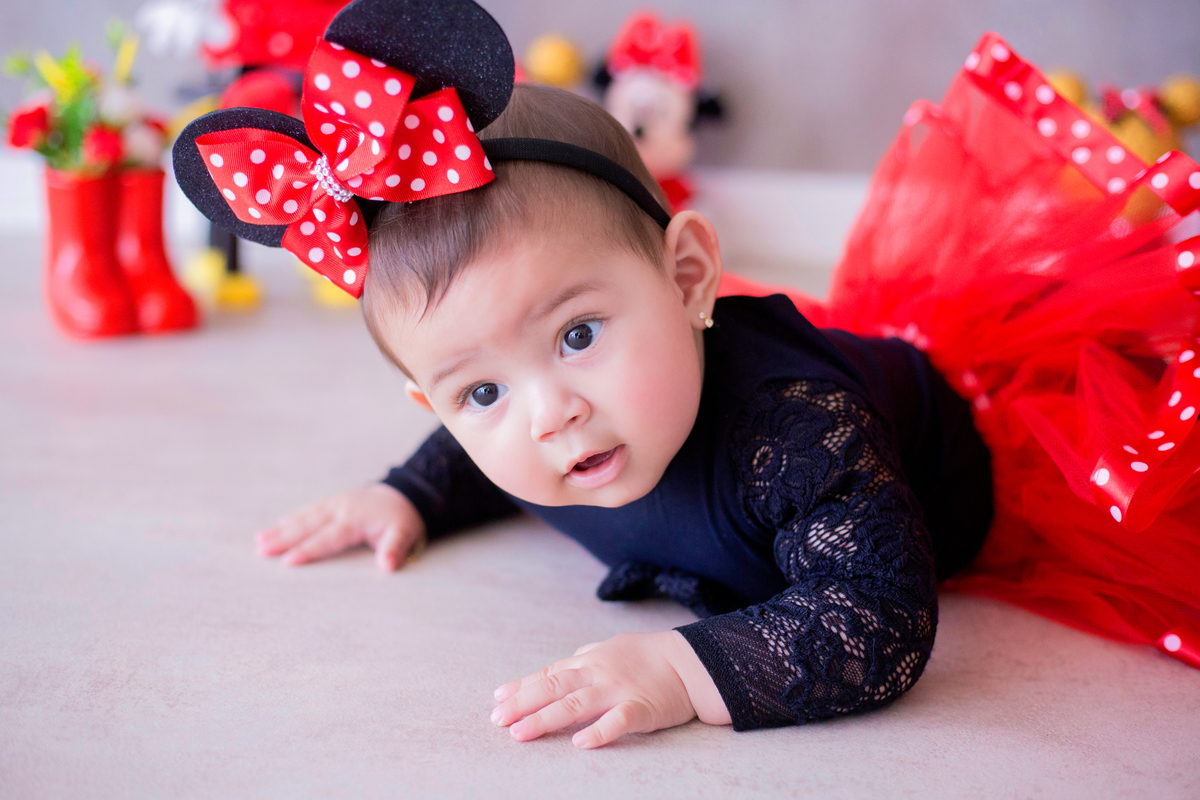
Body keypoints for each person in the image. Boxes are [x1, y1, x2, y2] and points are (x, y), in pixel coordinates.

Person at [174, 0, 1200, 750]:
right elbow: (475, 449)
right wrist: (404, 490)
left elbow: (879, 613)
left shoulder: (798, 430)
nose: (551, 410)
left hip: (984, 441)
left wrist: (682, 664)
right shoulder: (534, 431)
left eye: (578, 333)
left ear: (690, 275)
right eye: (479, 391)